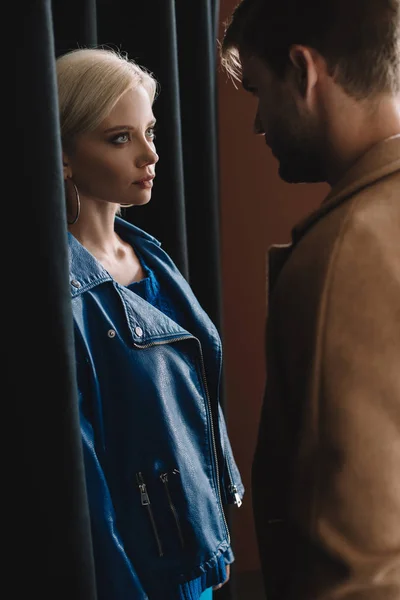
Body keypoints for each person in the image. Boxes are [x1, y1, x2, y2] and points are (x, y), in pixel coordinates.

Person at [220, 0, 400, 598]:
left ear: (304, 71)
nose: (258, 124)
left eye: (260, 92)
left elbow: (358, 575)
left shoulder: (348, 253)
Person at [56, 47, 244, 600]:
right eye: (121, 138)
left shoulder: (149, 254)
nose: (150, 155)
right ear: (64, 154)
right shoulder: (62, 290)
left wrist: (214, 533)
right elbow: (84, 475)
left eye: (150, 132)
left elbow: (196, 402)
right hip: (138, 574)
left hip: (194, 552)